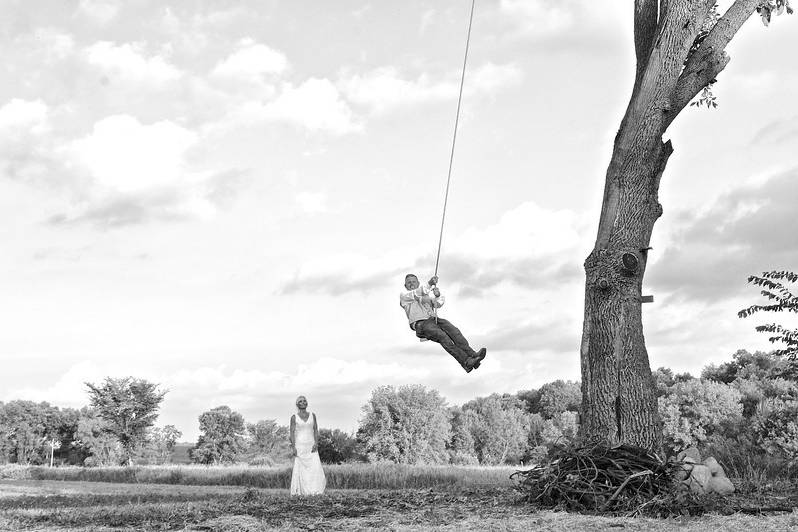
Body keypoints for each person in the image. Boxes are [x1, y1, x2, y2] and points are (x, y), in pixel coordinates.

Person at [399, 274, 486, 372]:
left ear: (418, 283)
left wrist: (437, 295)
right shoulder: (404, 296)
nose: (411, 284)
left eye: (414, 281)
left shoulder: (425, 295)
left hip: (434, 320)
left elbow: (438, 303)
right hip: (421, 324)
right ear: (405, 286)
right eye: (409, 282)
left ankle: (473, 355)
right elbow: (419, 292)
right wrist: (430, 284)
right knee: (443, 336)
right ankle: (466, 362)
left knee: (454, 331)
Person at [289, 395, 326, 496]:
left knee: (315, 467)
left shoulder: (312, 415)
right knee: (301, 469)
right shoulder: (294, 417)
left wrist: (316, 443)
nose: (303, 402)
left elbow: (315, 430)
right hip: (300, 446)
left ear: (307, 403)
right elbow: (292, 433)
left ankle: (315, 490)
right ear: (297, 404)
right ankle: (301, 491)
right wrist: (293, 447)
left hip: (311, 445)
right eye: (300, 401)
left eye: (304, 401)